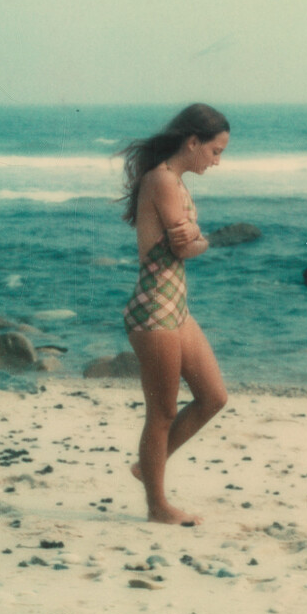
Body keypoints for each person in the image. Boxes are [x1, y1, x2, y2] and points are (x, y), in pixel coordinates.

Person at [118, 104, 231, 524]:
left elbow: (192, 242)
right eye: (215, 151)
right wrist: (199, 238)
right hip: (154, 311)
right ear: (193, 142)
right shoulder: (163, 180)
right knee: (163, 413)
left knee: (213, 397)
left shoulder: (174, 180)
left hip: (175, 308)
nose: (217, 162)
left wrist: (198, 237)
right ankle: (157, 506)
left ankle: (148, 467)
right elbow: (185, 248)